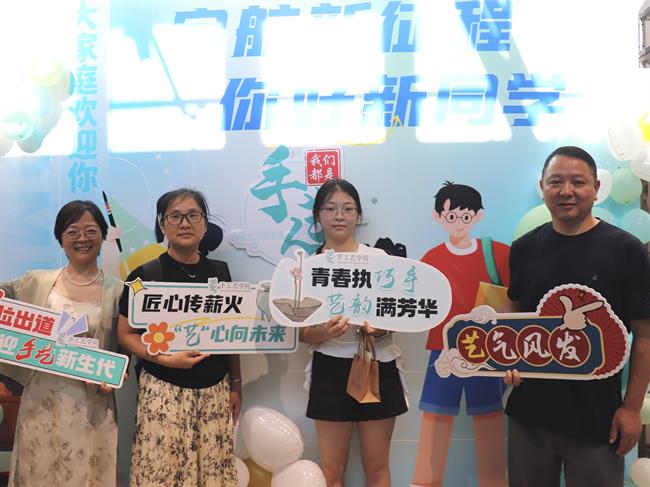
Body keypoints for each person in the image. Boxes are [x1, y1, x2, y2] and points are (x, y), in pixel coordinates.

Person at [504, 146, 650, 487]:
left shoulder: (626, 250)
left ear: (596, 188)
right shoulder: (524, 248)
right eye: (556, 181)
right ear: (542, 187)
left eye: (578, 182)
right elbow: (515, 313)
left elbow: (645, 335)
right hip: (529, 415)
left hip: (598, 419)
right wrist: (507, 359)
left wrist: (631, 409)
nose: (566, 191)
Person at [117, 188, 240, 487]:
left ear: (205, 224)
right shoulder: (144, 276)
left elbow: (232, 333)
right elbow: (125, 334)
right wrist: (166, 359)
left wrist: (236, 384)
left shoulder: (221, 273)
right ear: (162, 224)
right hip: (162, 391)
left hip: (214, 392)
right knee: (161, 475)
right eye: (175, 216)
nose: (185, 223)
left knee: (211, 475)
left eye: (193, 215)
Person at [0, 200, 123, 487]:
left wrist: (118, 376)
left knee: (89, 473)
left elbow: (125, 347)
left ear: (103, 235)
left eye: (90, 231)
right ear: (60, 238)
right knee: (39, 471)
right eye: (72, 231)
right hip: (41, 398)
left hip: (93, 402)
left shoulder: (118, 290)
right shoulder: (35, 281)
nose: (82, 238)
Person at [299, 179, 407, 487]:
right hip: (329, 369)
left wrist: (382, 327)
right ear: (318, 216)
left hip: (378, 363)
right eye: (330, 209)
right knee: (332, 472)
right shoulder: (307, 267)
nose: (339, 216)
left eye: (348, 209)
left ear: (358, 215)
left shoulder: (380, 260)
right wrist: (324, 331)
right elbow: (301, 333)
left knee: (377, 469)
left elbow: (402, 316)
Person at [412, 182, 509, 487]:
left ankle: (494, 483)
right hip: (442, 349)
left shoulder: (498, 254)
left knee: (489, 418)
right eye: (451, 216)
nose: (458, 222)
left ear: (478, 216)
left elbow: (517, 299)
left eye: (465, 216)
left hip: (486, 350)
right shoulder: (431, 259)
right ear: (438, 217)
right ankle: (424, 482)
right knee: (435, 418)